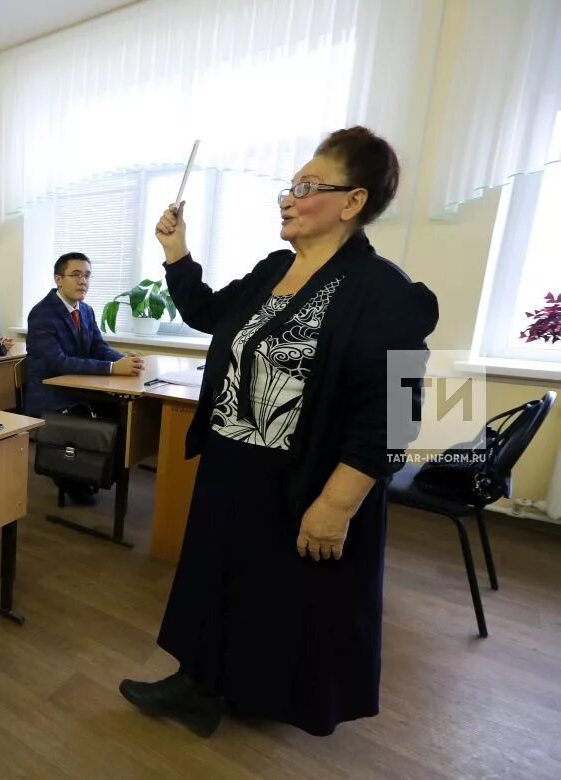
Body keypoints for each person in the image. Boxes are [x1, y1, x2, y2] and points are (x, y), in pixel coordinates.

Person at [119, 127, 438, 738]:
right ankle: (200, 685)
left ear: (353, 203)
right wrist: (176, 253)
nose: (288, 199)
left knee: (279, 595)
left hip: (303, 477)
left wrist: (337, 505)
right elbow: (208, 314)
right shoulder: (274, 269)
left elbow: (397, 413)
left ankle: (249, 689)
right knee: (217, 579)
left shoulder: (385, 293)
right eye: (289, 186)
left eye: (308, 187)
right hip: (231, 463)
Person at [24, 252, 143, 504]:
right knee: (91, 415)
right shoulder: (41, 314)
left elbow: (98, 347)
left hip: (78, 388)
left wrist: (125, 360)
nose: (83, 281)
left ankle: (93, 472)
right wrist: (112, 368)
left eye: (87, 275)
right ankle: (71, 474)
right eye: (76, 275)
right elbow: (60, 362)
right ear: (58, 279)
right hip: (50, 393)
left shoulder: (86, 310)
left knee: (119, 412)